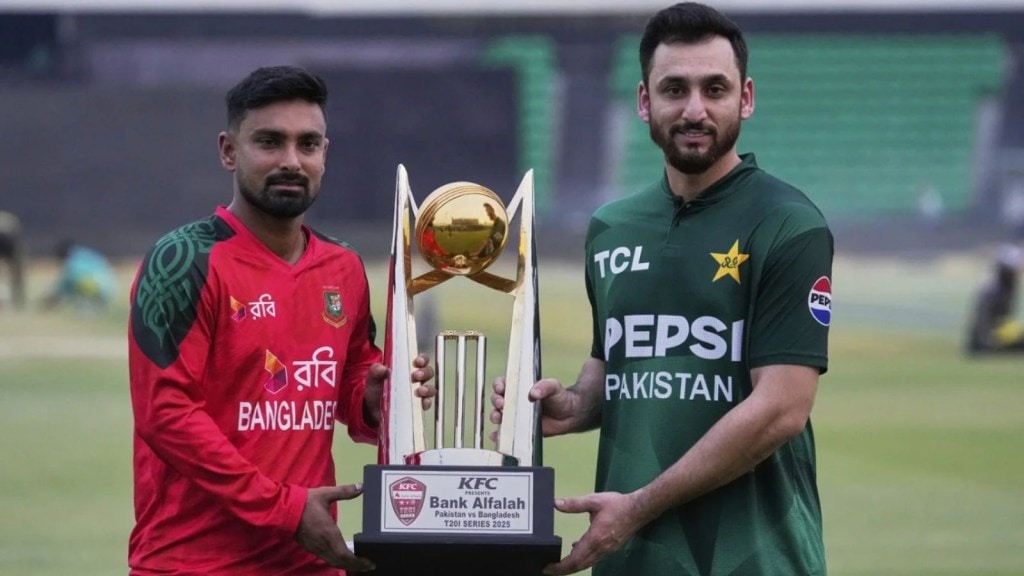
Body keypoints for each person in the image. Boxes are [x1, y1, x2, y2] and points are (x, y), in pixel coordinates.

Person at [491, 4, 833, 575]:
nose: (695, 110)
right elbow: (617, 365)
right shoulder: (611, 228)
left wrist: (636, 508)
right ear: (645, 101)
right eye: (675, 89)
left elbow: (781, 409)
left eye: (715, 89)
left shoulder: (788, 223)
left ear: (745, 98)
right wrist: (570, 406)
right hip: (633, 559)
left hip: (755, 559)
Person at [127, 66, 436, 575]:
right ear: (229, 151)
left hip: (311, 561)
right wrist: (287, 510)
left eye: (307, 144)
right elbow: (167, 416)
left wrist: (376, 396)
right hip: (195, 562)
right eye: (270, 142)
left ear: (324, 154)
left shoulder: (342, 266)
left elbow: (350, 378)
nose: (291, 160)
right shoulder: (182, 261)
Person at [966, 243, 1024, 354]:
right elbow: (982, 319)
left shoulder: (1007, 288)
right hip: (985, 337)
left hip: (998, 331)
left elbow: (1005, 318)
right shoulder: (993, 289)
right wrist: (986, 342)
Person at [41, 238, 117, 311]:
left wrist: (52, 299)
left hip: (100, 287)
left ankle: (87, 307)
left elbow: (67, 283)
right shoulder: (82, 254)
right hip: (109, 286)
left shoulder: (73, 262)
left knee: (79, 283)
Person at [0, 210, 26, 309]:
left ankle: (18, 299)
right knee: (17, 273)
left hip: (11, 240)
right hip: (11, 238)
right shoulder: (9, 220)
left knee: (17, 272)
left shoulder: (9, 220)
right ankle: (19, 299)